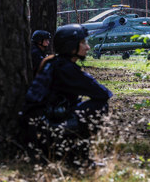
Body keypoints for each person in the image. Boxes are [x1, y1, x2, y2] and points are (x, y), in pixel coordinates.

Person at [22, 24, 113, 167]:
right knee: (99, 107)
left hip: (35, 126)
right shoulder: (65, 69)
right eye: (83, 43)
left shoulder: (53, 63)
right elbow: (102, 93)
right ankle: (77, 159)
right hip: (44, 128)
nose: (87, 47)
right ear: (71, 46)